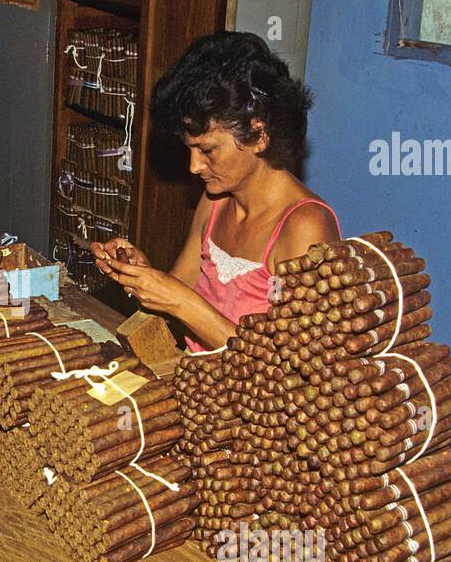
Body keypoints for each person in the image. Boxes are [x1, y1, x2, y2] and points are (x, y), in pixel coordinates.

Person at [92, 31, 341, 351]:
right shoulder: (216, 201)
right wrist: (141, 276)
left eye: (207, 150)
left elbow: (288, 364)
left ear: (259, 134)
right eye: (190, 149)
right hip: (200, 385)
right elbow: (175, 298)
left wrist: (180, 302)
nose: (194, 166)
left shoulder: (305, 227)